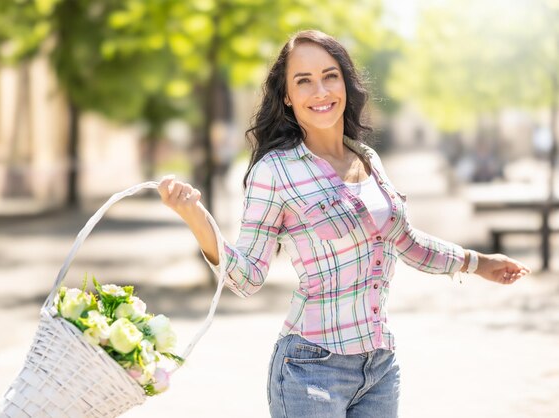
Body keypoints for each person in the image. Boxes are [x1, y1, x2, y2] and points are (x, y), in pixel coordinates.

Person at [157, 30, 531, 418]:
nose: (320, 91)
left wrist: (478, 262)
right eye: (303, 81)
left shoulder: (366, 158)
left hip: (379, 369)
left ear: (345, 82)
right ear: (287, 96)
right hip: (308, 370)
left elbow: (407, 243)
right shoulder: (275, 171)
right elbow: (246, 278)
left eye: (329, 75)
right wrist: (196, 218)